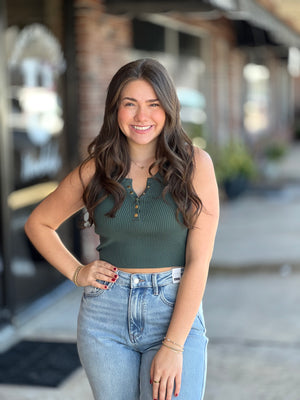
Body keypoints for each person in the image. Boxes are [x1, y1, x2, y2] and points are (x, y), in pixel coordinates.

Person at [25, 58, 219, 400]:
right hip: (105, 318)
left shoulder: (195, 165)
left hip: (173, 311)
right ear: (115, 110)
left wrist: (173, 346)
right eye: (130, 104)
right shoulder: (95, 170)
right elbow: (38, 223)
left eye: (153, 105)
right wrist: (76, 272)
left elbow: (199, 260)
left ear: (169, 108)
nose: (142, 117)